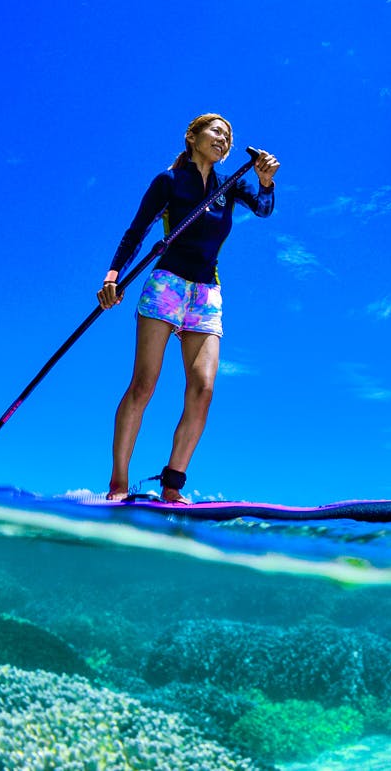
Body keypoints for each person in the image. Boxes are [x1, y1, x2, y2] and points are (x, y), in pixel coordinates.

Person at [97, 113, 278, 502]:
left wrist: (266, 182)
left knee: (203, 388)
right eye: (216, 131)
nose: (224, 138)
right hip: (167, 286)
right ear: (192, 137)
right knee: (144, 385)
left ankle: (172, 486)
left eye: (228, 136)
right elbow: (137, 231)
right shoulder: (168, 181)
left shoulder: (230, 186)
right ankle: (117, 484)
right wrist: (113, 276)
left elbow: (264, 209)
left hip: (206, 294)